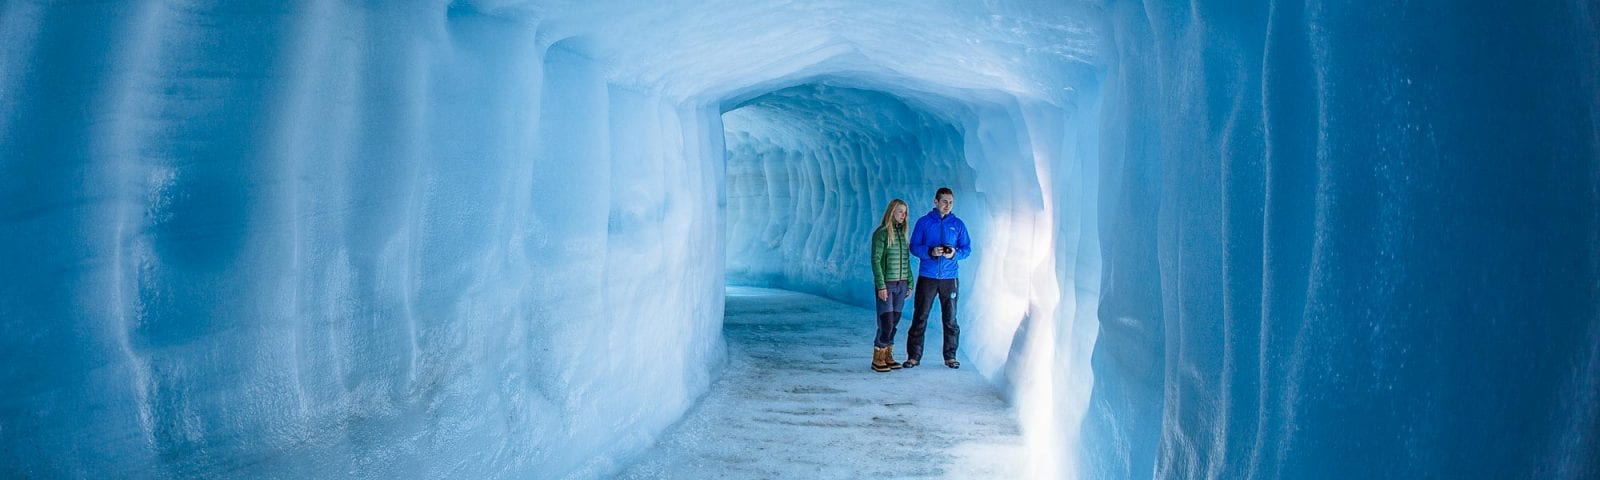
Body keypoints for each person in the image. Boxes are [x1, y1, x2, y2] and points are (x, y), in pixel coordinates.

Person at [905, 187, 970, 369]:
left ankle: (950, 356)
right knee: (920, 316)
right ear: (936, 201)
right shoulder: (924, 223)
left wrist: (954, 254)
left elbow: (967, 249)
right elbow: (914, 247)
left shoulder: (958, 225)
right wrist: (930, 251)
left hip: (950, 279)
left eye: (950, 202)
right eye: (944, 201)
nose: (947, 205)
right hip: (928, 277)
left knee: (950, 319)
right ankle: (914, 357)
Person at [869, 199, 914, 372]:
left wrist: (909, 282)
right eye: (900, 211)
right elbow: (876, 261)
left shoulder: (902, 235)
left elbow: (906, 261)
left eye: (905, 212)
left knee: (894, 321)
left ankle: (888, 354)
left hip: (901, 284)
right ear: (891, 212)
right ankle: (878, 355)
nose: (903, 215)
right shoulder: (881, 234)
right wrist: (881, 286)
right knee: (885, 321)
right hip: (887, 284)